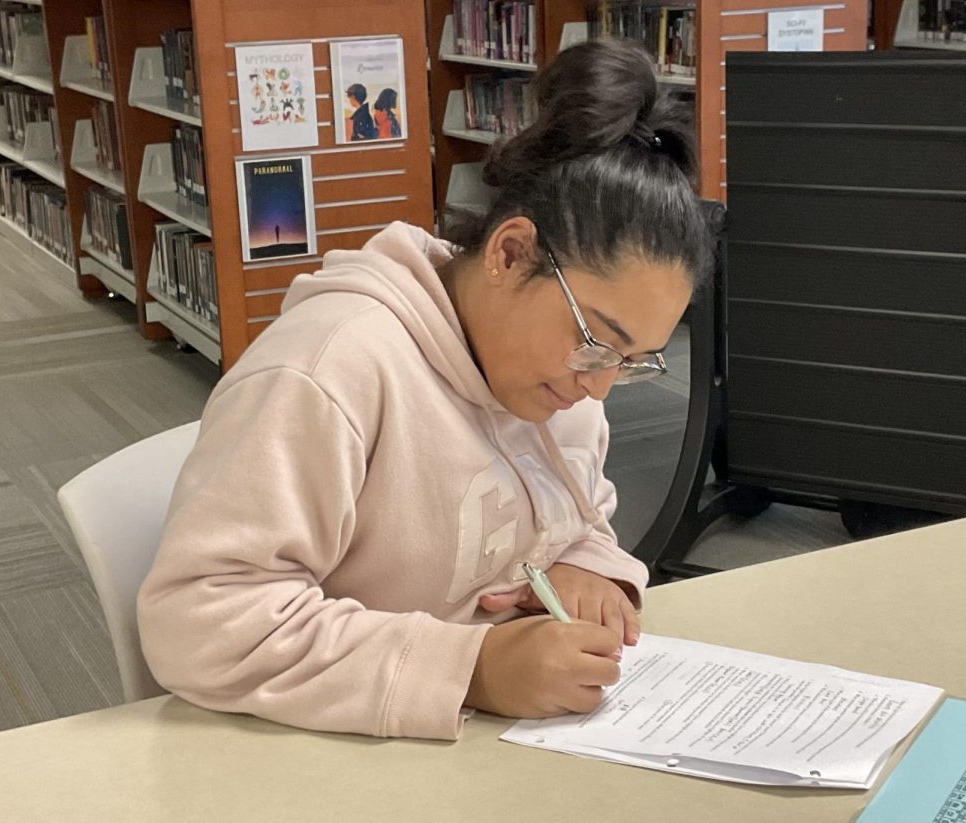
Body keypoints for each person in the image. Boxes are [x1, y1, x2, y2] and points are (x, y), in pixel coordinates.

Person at [137, 39, 712, 741]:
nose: (598, 389)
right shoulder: (331, 370)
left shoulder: (557, 381)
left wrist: (585, 566)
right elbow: (198, 618)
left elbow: (579, 512)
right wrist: (475, 668)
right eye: (595, 339)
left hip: (482, 748)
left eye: (633, 360)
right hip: (327, 754)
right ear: (509, 252)